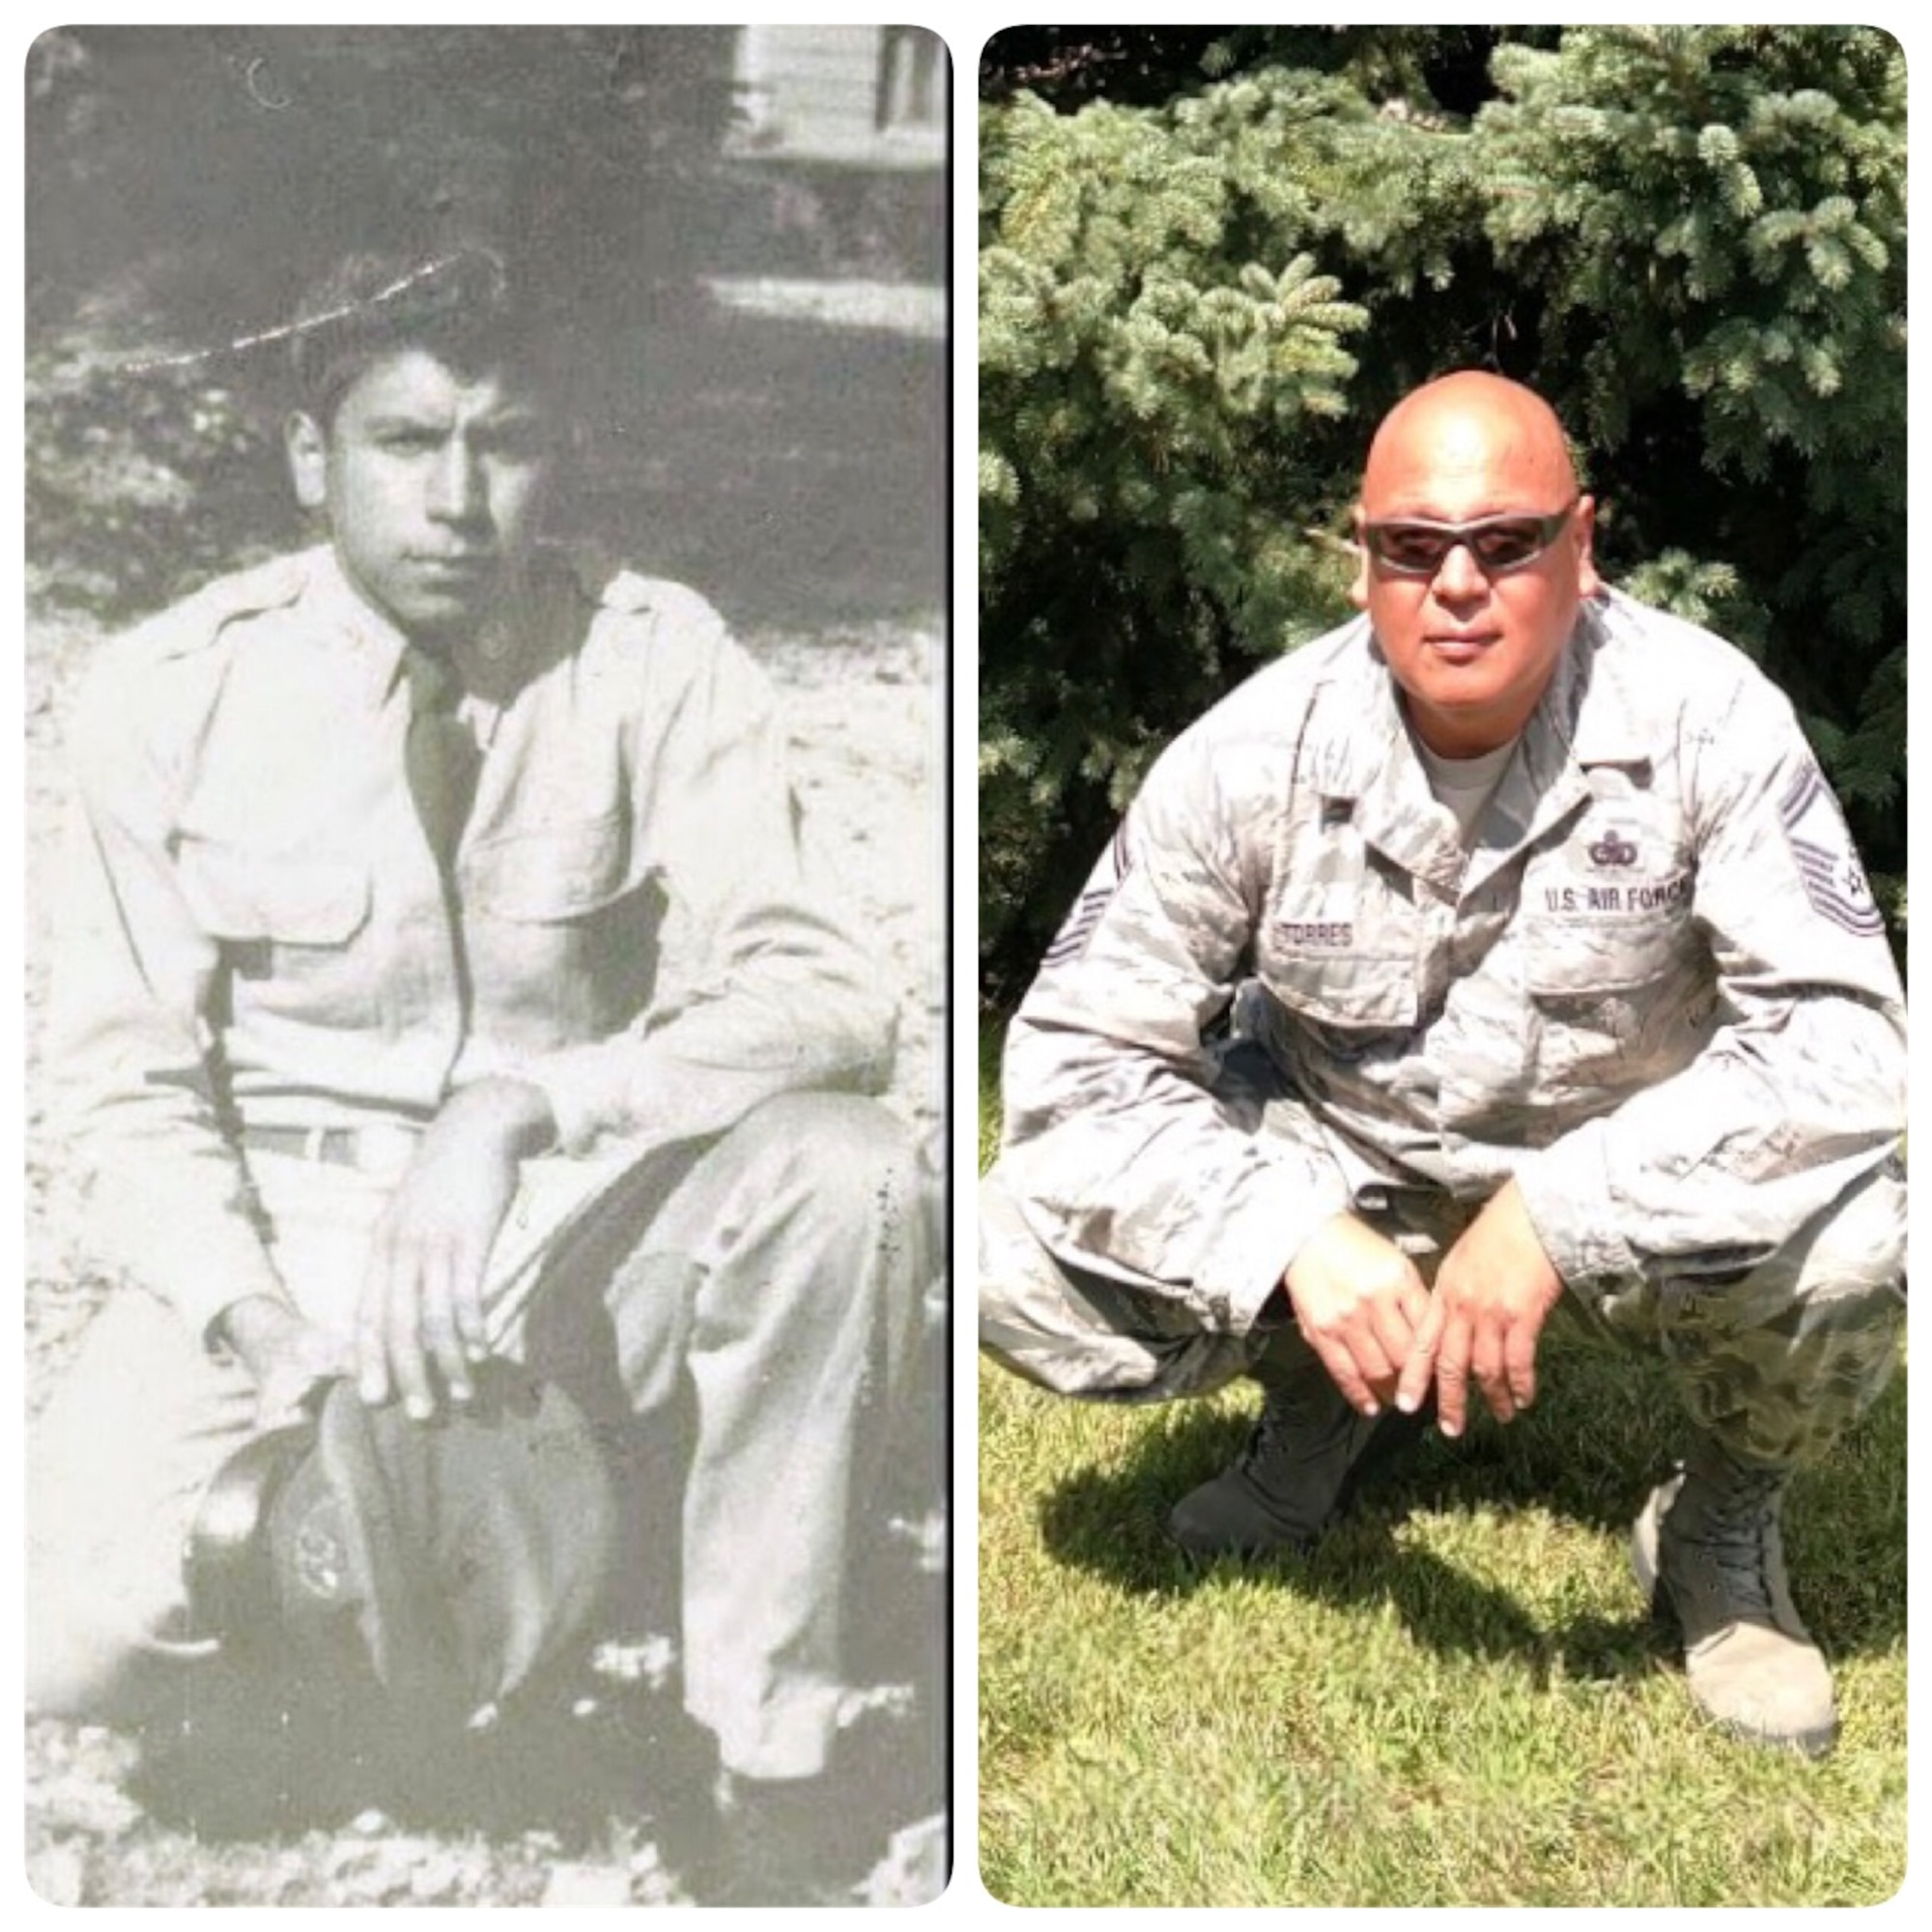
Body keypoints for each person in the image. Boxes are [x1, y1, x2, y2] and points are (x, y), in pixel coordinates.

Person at [31, 249, 933, 1902]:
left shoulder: (658, 659)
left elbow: (825, 994)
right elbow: (121, 1097)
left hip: (566, 1220)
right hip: (291, 1238)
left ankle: (767, 1751)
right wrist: (259, 1325)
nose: (457, 498)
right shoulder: (172, 690)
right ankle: (404, 1604)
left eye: (502, 442)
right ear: (311, 457)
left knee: (849, 1164)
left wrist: (524, 1109)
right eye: (404, 440)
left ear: (558, 453)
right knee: (60, 1646)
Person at [980, 370, 1904, 1759]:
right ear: (1362, 564)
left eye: (1505, 541)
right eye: (1413, 547)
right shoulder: (1251, 757)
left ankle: (1717, 1526)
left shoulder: (1709, 721)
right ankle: (1330, 1415)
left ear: (1580, 548)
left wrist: (1560, 1211)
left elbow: (1849, 1045)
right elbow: (1070, 1070)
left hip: (1631, 1195)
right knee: (1005, 1250)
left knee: (1865, 1238)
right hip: (1354, 1177)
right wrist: (1285, 1231)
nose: (1456, 583)